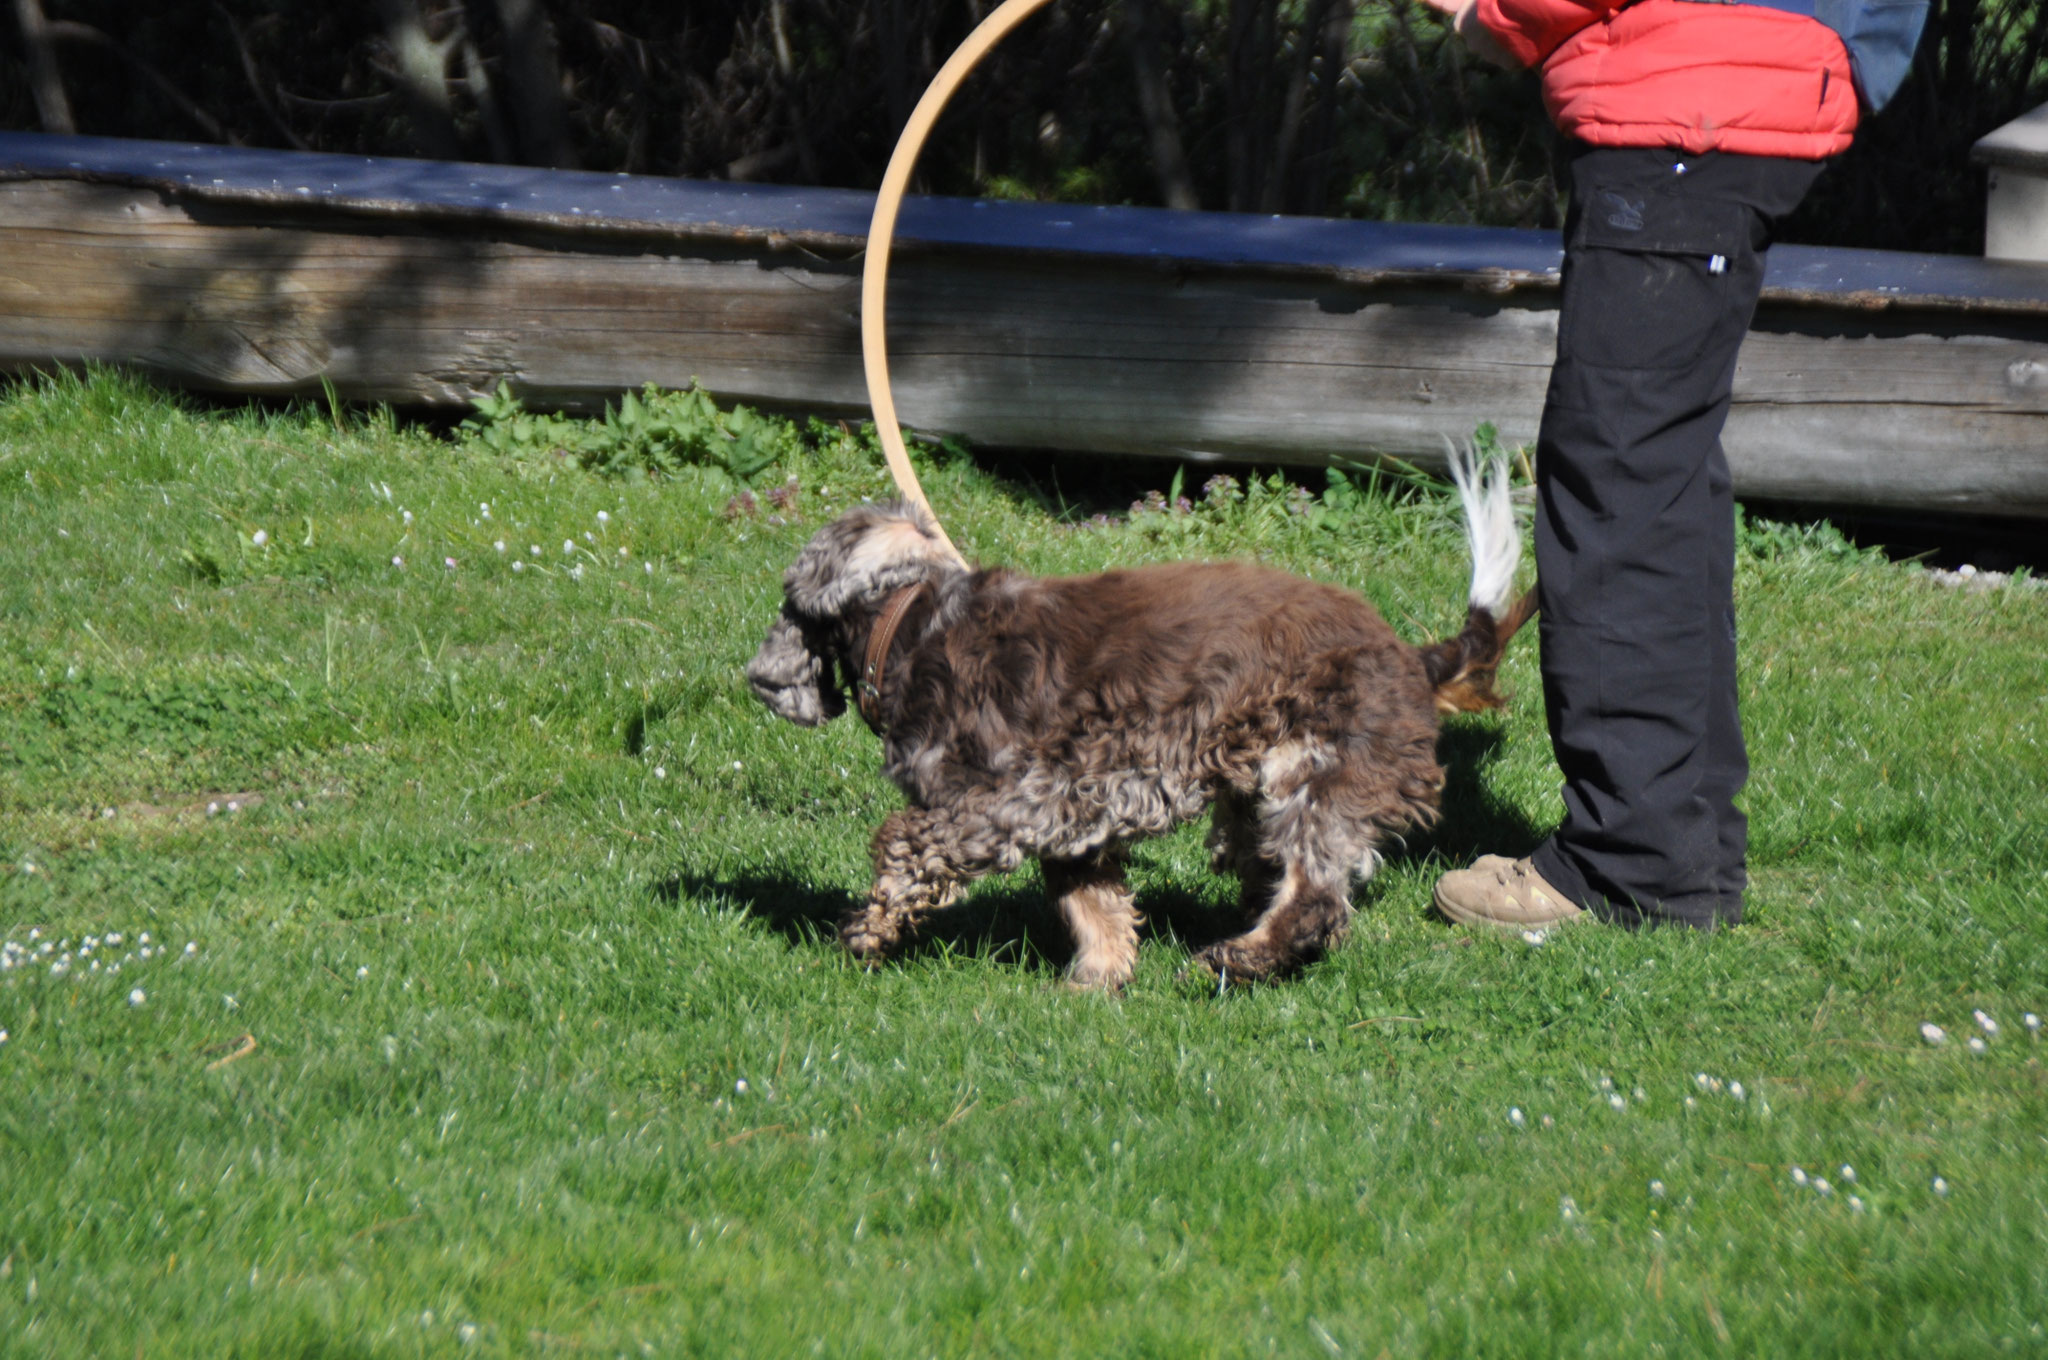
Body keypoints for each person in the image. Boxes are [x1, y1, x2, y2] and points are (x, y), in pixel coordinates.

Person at [1421, 0, 1924, 930]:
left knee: (1620, 484)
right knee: (1662, 476)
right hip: (1733, 96)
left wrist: (1498, 16)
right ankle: (1686, 858)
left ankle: (1629, 865)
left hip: (1687, 104)